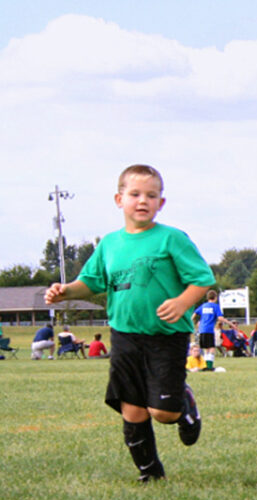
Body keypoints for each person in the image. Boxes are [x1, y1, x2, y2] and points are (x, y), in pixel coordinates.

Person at [44, 164, 211, 482]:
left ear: (161, 203)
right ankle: (150, 473)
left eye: (151, 195)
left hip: (166, 335)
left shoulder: (171, 238)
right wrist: (65, 291)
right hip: (124, 335)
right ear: (119, 199)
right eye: (134, 194)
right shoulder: (110, 243)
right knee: (132, 409)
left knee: (163, 413)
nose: (142, 200)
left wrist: (182, 302)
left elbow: (201, 280)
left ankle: (184, 400)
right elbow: (91, 281)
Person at [192, 289, 227, 371]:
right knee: (211, 348)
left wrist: (193, 323)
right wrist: (228, 322)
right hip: (209, 330)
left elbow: (194, 315)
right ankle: (209, 366)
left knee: (205, 348)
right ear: (215, 298)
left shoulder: (203, 306)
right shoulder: (215, 306)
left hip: (202, 330)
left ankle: (205, 366)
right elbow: (220, 318)